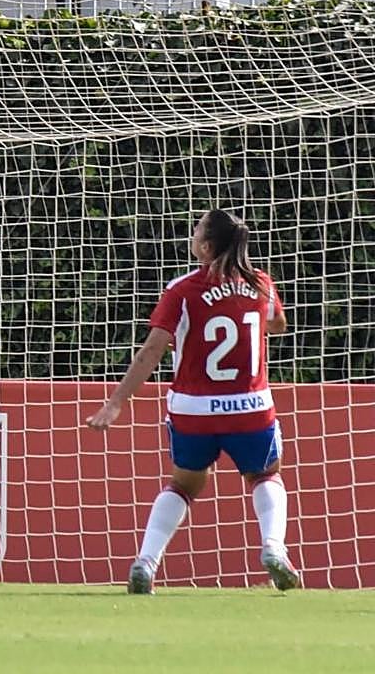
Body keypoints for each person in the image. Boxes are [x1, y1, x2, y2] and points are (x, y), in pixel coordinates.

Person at [86, 208, 299, 593]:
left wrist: (115, 403)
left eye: (197, 228)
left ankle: (146, 563)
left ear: (205, 246)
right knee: (265, 475)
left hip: (193, 410)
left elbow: (153, 348)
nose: (193, 232)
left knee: (184, 484)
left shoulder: (183, 289)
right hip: (249, 407)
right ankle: (273, 549)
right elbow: (278, 324)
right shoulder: (261, 284)